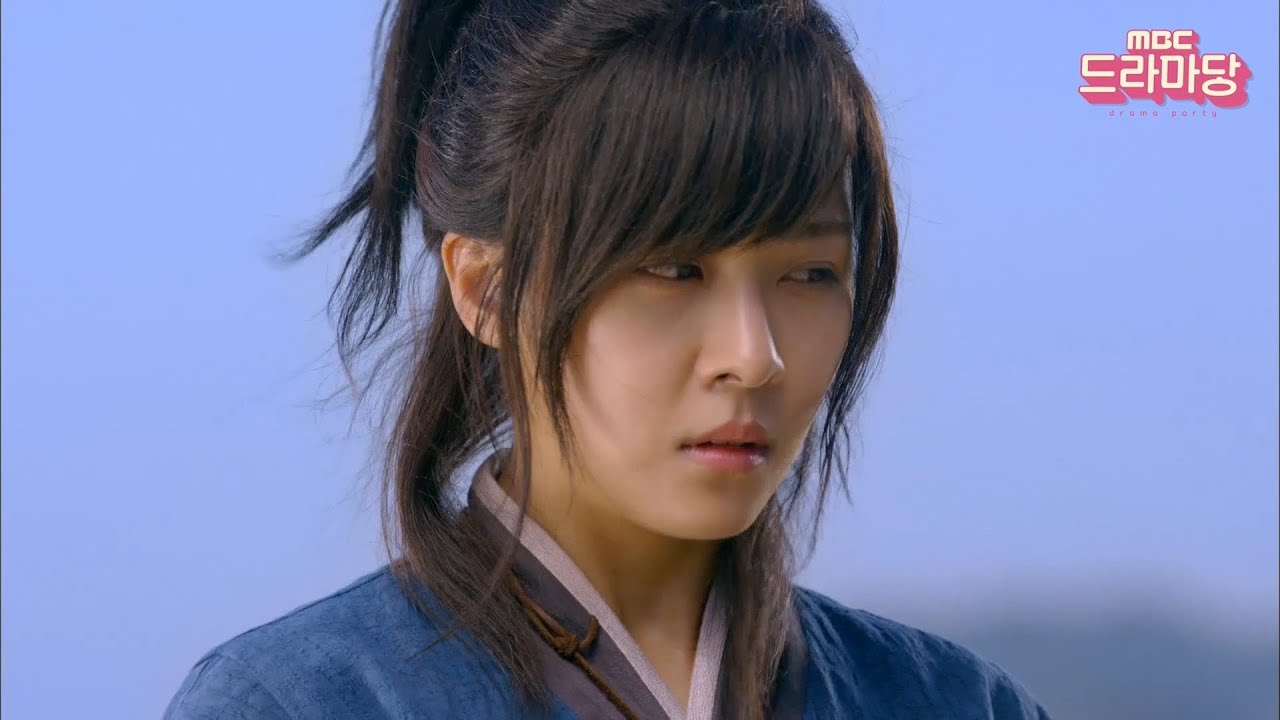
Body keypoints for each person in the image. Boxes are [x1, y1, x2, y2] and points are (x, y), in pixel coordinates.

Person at [164, 0, 1053, 717]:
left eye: (810, 273)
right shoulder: (302, 704)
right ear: (487, 288)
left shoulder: (955, 703)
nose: (755, 357)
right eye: (673, 269)